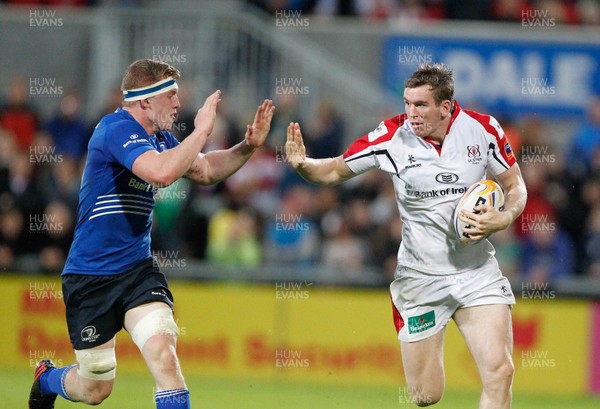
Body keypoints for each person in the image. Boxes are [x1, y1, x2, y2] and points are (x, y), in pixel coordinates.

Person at [28, 58, 275, 409]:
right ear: (146, 100)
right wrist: (202, 130)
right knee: (95, 389)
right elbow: (160, 173)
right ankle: (47, 378)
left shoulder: (161, 138)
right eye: (171, 95)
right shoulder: (113, 129)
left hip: (137, 271)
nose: (178, 104)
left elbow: (204, 169)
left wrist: (247, 146)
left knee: (164, 356)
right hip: (90, 276)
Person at [285, 63, 527, 408]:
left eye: (421, 105)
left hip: (476, 273)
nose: (410, 113)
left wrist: (504, 217)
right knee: (426, 395)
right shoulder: (391, 137)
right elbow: (335, 169)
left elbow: (514, 184)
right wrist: (302, 164)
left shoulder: (483, 129)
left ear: (446, 107)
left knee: (500, 372)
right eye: (407, 103)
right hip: (420, 280)